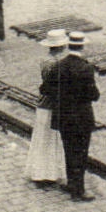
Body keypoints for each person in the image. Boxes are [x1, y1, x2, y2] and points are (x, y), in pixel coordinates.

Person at [45, 31, 101, 201]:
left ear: (68, 45)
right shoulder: (86, 68)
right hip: (82, 117)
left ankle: (71, 183)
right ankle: (79, 190)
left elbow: (45, 89)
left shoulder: (59, 66)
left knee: (69, 150)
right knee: (81, 153)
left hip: (63, 117)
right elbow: (94, 95)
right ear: (82, 46)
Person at [26, 30, 70, 189]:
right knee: (52, 139)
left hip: (43, 104)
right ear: (62, 45)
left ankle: (40, 172)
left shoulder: (45, 60)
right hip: (53, 105)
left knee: (43, 138)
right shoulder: (57, 64)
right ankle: (50, 173)